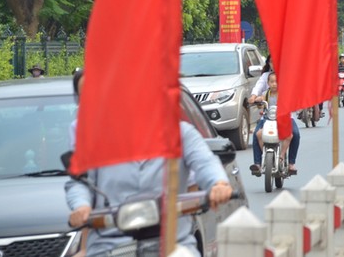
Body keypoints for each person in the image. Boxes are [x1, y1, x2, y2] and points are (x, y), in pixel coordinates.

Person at [65, 71, 233, 256]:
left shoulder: (181, 134)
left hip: (171, 242)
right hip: (109, 245)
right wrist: (81, 206)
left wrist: (218, 184)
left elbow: (206, 162)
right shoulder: (96, 139)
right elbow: (79, 181)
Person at [248, 71, 300, 176]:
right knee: (257, 134)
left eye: (277, 82)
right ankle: (260, 162)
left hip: (284, 119)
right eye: (272, 82)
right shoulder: (265, 94)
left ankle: (287, 161)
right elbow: (259, 99)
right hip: (268, 119)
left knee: (293, 134)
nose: (274, 84)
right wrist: (255, 99)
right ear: (268, 83)